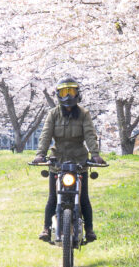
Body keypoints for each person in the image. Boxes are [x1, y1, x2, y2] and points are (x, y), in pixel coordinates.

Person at [31, 77, 105, 243]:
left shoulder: (84, 114)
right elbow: (45, 135)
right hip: (57, 161)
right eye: (64, 92)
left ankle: (90, 229)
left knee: (84, 197)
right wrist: (40, 154)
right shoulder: (53, 114)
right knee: (52, 197)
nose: (68, 96)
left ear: (78, 94)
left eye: (71, 91)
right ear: (58, 94)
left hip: (79, 162)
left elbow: (90, 134)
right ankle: (46, 229)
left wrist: (95, 155)